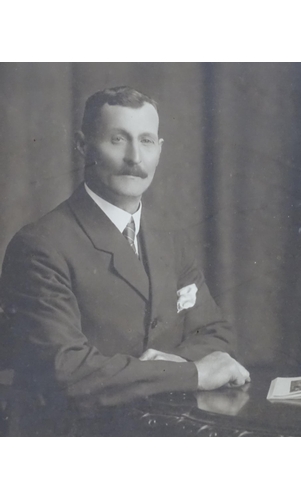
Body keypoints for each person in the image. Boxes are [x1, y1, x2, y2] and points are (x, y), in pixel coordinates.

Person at [0, 86, 250, 434]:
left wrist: (170, 365)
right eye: (118, 140)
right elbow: (68, 370)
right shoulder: (40, 245)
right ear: (82, 146)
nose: (135, 157)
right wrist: (191, 373)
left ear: (159, 150)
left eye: (146, 141)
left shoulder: (170, 238)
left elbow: (216, 334)